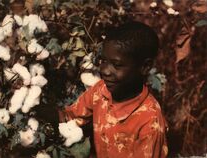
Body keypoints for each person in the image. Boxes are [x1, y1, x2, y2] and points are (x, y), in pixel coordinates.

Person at [40, 21, 168, 158]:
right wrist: (36, 112)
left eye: (117, 65)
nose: (105, 70)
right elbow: (69, 118)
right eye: (103, 61)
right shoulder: (101, 91)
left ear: (144, 67)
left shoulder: (149, 122)